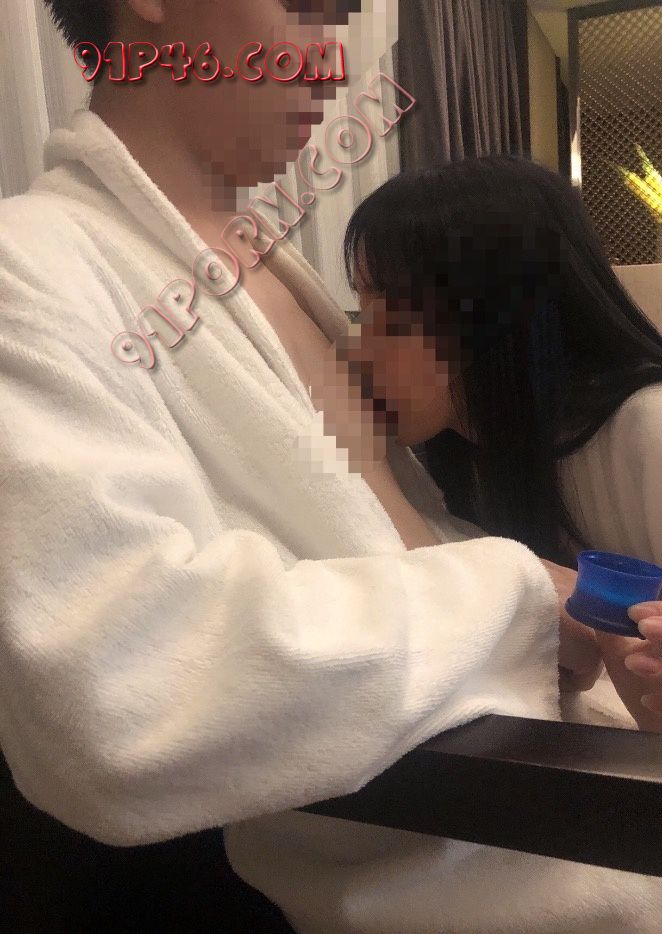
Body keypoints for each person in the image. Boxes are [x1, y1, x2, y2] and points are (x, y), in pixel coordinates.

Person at [0, 1, 606, 932]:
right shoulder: (30, 272)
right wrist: (518, 595)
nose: (332, 66)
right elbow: (121, 693)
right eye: (307, 11)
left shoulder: (272, 269)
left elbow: (394, 540)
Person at [341, 155, 662, 743]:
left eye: (391, 316)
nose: (360, 352)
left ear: (499, 316)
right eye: (361, 311)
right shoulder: (450, 456)